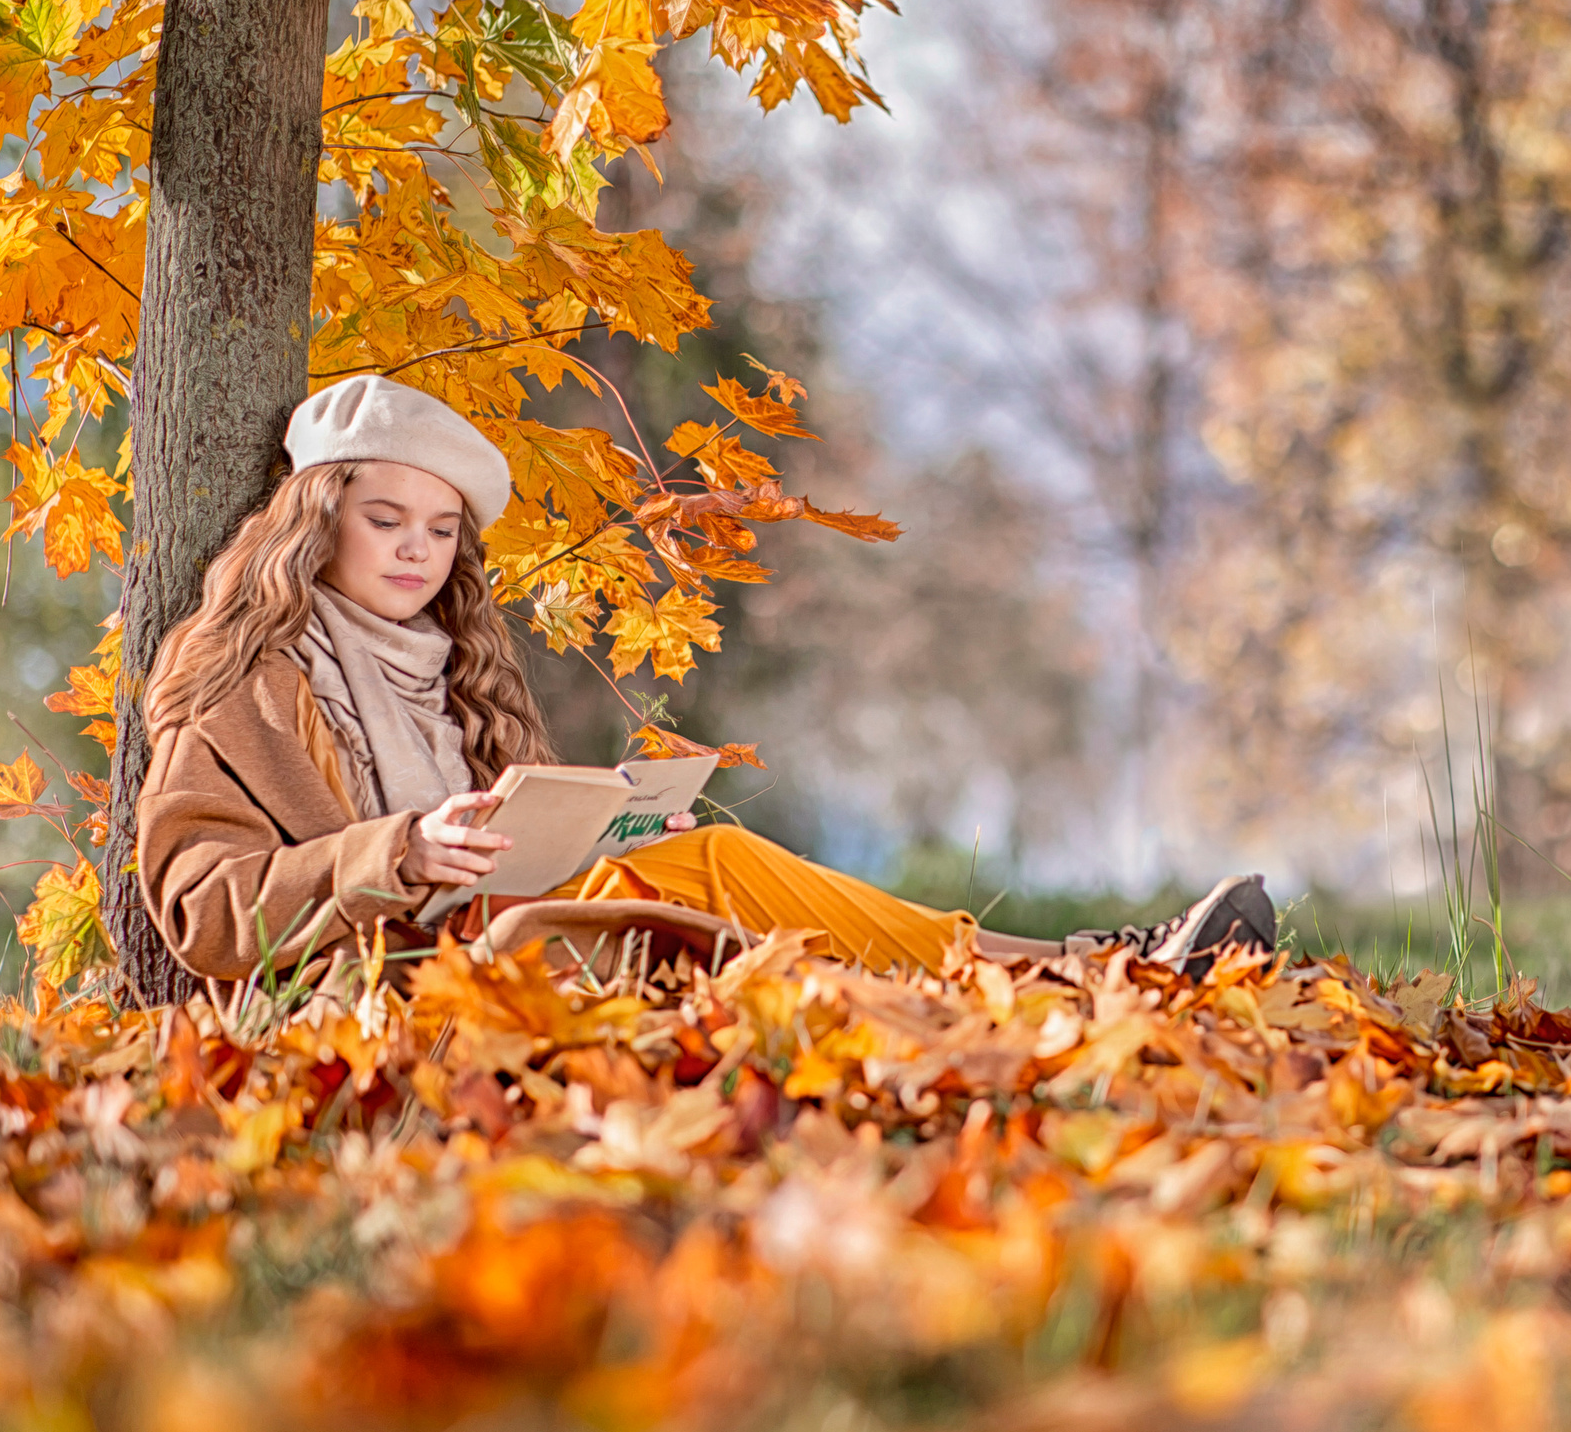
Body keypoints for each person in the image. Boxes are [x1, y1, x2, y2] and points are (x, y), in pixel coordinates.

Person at [133, 375, 1276, 988]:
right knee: (724, 864)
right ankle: (1091, 970)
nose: (415, 550)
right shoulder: (241, 686)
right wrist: (398, 853)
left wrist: (617, 821)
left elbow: (524, 855)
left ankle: (1081, 976)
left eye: (440, 530)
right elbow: (199, 910)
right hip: (388, 990)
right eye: (385, 519)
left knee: (711, 877)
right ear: (316, 519)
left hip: (509, 941)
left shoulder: (457, 678)